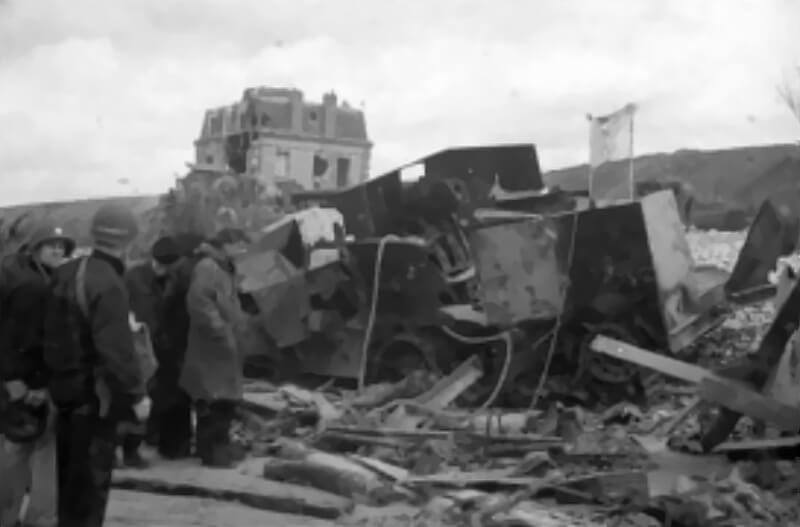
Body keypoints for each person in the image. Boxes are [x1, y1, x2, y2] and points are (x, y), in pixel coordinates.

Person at [43, 203, 150, 527]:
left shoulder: (65, 272)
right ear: (129, 240)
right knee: (90, 491)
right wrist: (136, 395)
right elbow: (115, 351)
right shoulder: (110, 284)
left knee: (68, 488)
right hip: (95, 401)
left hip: (61, 395)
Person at [0, 220, 75, 527]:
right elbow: (20, 338)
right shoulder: (33, 287)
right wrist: (21, 381)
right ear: (34, 248)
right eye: (51, 245)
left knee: (17, 448)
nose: (58, 250)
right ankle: (40, 518)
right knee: (42, 451)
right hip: (30, 381)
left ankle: (7, 515)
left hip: (19, 379)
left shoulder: (20, 274)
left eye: (62, 246)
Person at [179, 228, 250, 468]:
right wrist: (221, 330)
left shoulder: (224, 267)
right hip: (212, 347)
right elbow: (200, 302)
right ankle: (211, 452)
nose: (243, 250)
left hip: (223, 347)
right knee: (214, 401)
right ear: (227, 244)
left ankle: (216, 447)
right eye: (240, 244)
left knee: (224, 401)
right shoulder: (208, 267)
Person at [123, 235, 187, 463]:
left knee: (162, 395)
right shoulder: (133, 278)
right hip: (141, 344)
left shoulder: (174, 278)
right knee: (140, 395)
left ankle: (155, 440)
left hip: (165, 346)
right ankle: (132, 447)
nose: (164, 270)